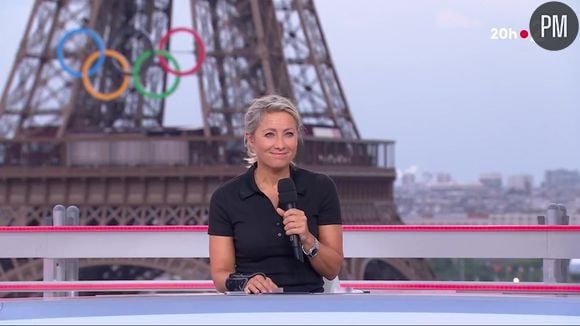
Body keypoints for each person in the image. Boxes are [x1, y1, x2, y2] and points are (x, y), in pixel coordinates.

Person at [208, 94, 344, 294]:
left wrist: (307, 239)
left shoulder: (321, 187)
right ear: (251, 139)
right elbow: (220, 274)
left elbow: (332, 269)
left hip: (309, 305)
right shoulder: (226, 197)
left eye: (288, 134)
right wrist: (246, 282)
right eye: (270, 134)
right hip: (251, 307)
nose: (280, 144)